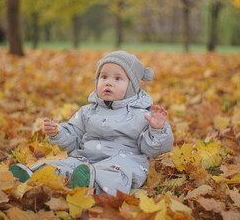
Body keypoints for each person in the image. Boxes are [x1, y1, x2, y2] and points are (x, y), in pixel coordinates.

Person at [10, 50, 174, 196]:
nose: (108, 82)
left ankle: (92, 185)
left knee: (116, 175)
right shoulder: (87, 111)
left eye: (118, 78)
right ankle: (34, 177)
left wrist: (157, 129)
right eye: (104, 77)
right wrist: (58, 132)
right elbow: (73, 136)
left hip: (123, 162)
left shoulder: (142, 115)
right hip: (85, 159)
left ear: (132, 86)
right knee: (63, 165)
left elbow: (152, 150)